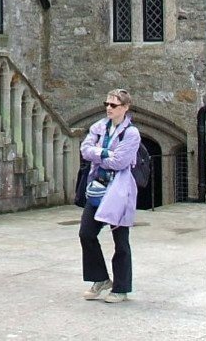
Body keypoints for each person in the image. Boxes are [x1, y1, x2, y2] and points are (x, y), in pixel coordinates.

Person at [78, 88, 140, 303]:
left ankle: (121, 288)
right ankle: (101, 278)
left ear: (125, 107)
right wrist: (104, 153)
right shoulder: (99, 127)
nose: (108, 108)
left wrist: (99, 155)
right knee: (86, 233)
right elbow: (85, 149)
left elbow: (121, 161)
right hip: (97, 187)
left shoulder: (131, 133)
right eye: (107, 104)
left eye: (113, 105)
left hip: (119, 191)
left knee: (120, 241)